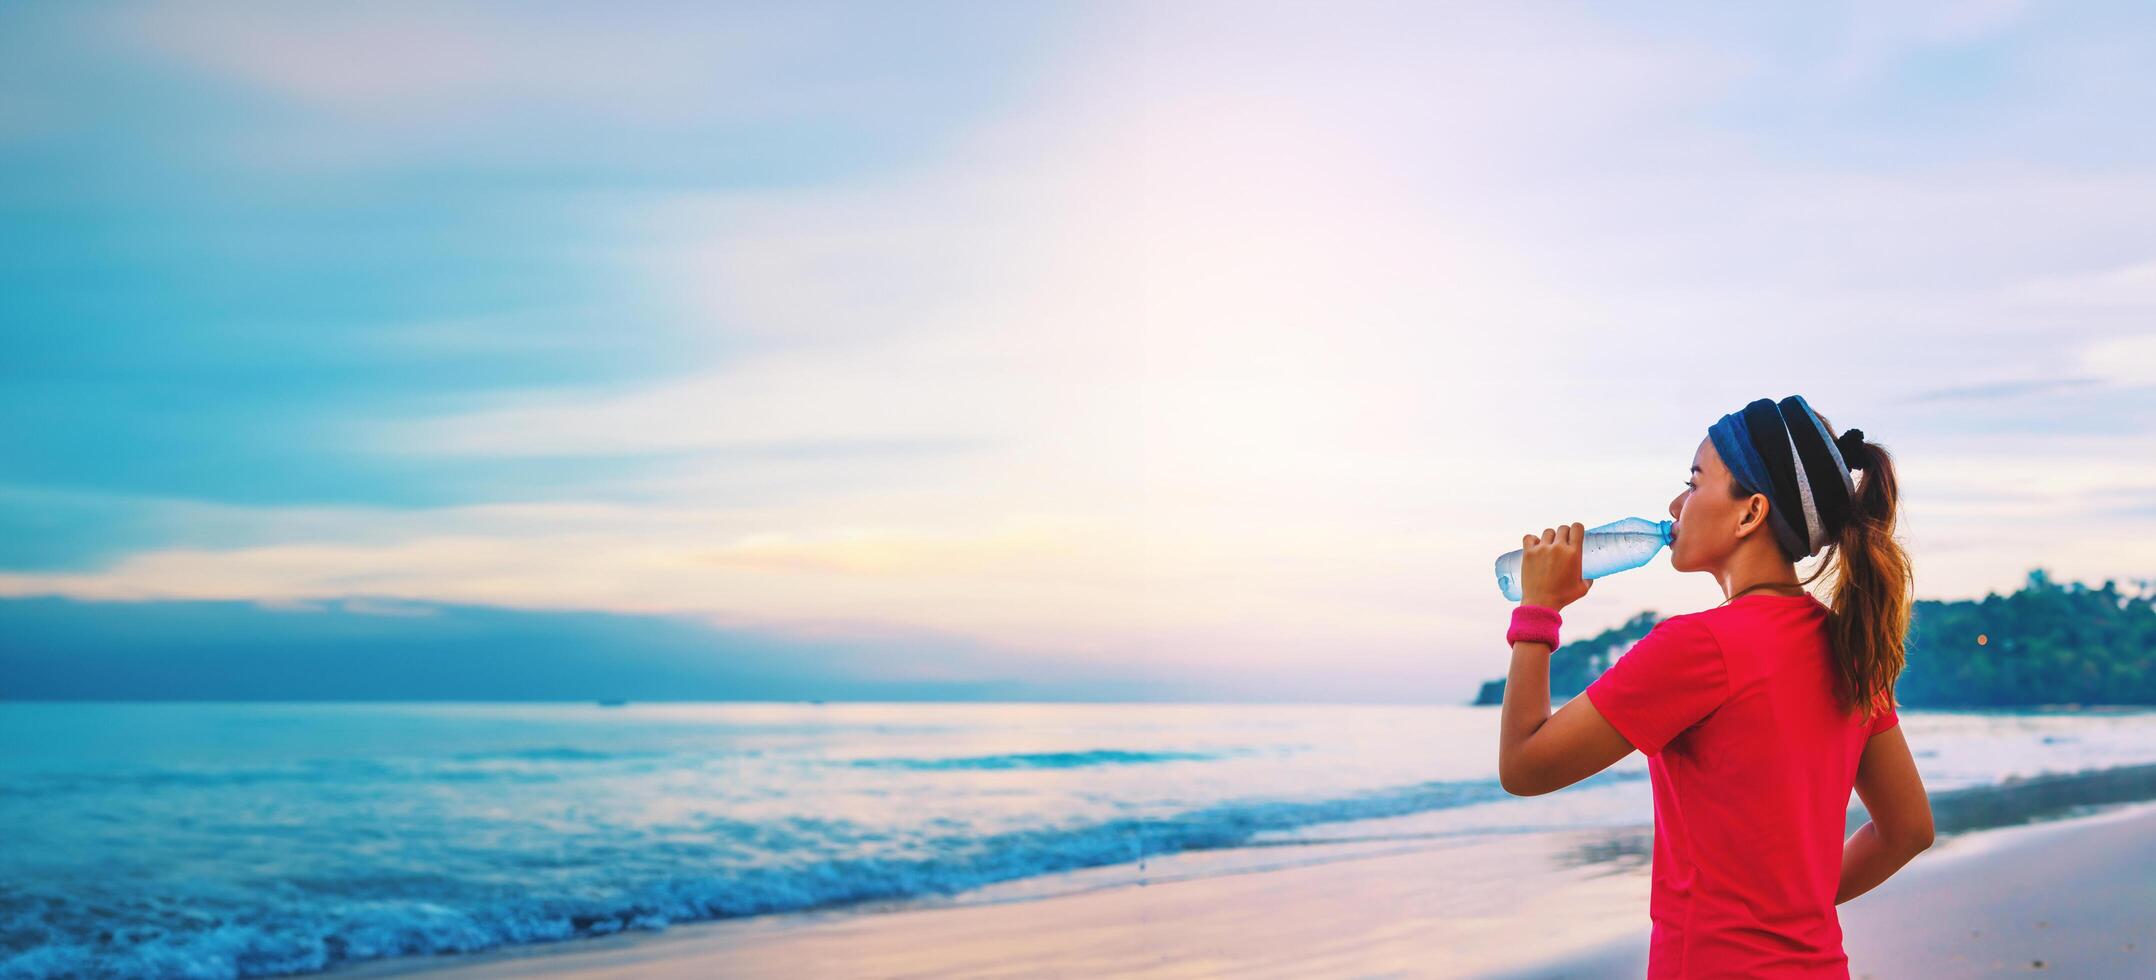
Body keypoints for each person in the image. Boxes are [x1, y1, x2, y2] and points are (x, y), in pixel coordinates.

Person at [1493, 394, 1934, 978]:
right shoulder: (1851, 650)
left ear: (1750, 513)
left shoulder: (1699, 647)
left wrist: (1538, 610)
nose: (1676, 504)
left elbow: (1525, 766)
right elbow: (1908, 831)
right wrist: (1789, 910)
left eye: (1695, 483)